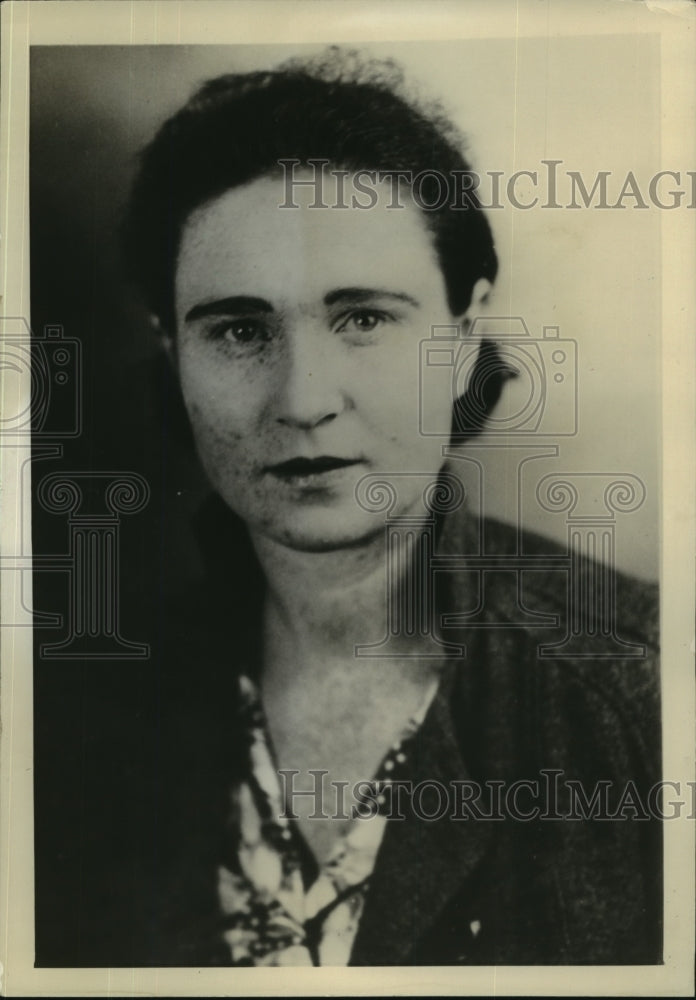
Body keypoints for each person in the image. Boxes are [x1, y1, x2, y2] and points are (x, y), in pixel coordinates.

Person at [42, 48, 661, 967]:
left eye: (364, 317)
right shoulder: (75, 715)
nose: (302, 399)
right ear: (173, 354)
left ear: (463, 335)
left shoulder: (639, 702)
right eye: (240, 330)